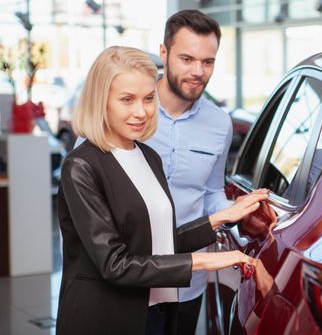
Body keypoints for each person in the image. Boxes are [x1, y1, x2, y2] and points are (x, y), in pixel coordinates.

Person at [56, 46, 267, 335]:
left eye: (148, 98)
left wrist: (221, 217)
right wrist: (206, 260)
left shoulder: (147, 156)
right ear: (100, 101)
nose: (141, 112)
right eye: (127, 100)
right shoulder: (81, 166)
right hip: (107, 318)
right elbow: (115, 264)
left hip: (155, 313)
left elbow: (157, 242)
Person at [145, 9, 235, 334]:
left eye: (208, 62)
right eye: (187, 59)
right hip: (133, 280)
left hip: (189, 278)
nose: (198, 71)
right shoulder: (129, 111)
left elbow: (212, 192)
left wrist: (237, 214)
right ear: (164, 54)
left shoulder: (219, 123)